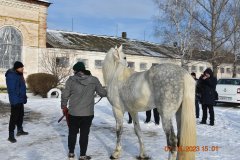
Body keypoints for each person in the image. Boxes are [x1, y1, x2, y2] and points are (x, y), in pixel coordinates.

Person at [61, 62, 107, 160]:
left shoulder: (70, 80)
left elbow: (65, 95)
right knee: (84, 134)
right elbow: (102, 93)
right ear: (84, 69)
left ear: (76, 70)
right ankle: (82, 155)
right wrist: (108, 90)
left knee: (72, 133)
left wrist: (64, 106)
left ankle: (71, 153)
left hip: (73, 113)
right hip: (87, 113)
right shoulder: (94, 80)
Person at [5, 61, 28, 143]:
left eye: (23, 67)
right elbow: (12, 89)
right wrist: (19, 96)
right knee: (14, 117)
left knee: (21, 115)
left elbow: (22, 86)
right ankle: (10, 135)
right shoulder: (11, 75)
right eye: (21, 67)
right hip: (15, 99)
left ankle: (19, 130)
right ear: (17, 68)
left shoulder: (19, 74)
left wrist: (24, 96)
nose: (22, 69)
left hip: (20, 99)